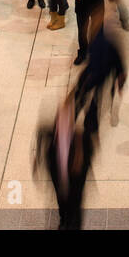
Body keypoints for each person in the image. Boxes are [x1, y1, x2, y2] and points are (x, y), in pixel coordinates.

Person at [37, 93, 94, 229]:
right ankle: (64, 221)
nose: (62, 122)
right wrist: (38, 166)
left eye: (67, 118)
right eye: (60, 118)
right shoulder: (47, 133)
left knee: (74, 208)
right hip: (58, 181)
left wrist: (79, 155)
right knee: (62, 203)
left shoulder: (83, 139)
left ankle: (73, 224)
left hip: (75, 185)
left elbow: (87, 162)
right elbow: (42, 150)